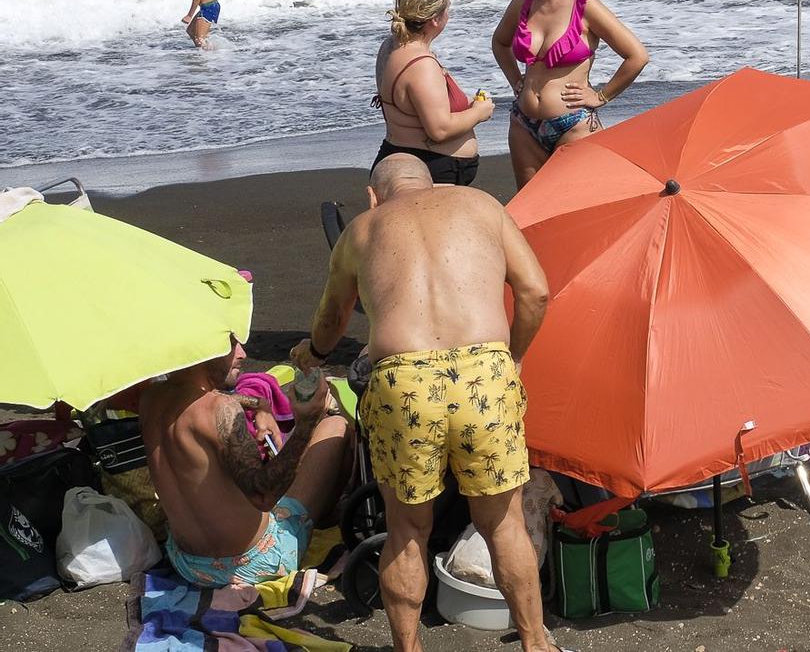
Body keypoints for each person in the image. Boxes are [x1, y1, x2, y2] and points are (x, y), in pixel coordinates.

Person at [291, 155, 557, 652]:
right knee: (503, 523)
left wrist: (315, 352)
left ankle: (409, 649)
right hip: (484, 374)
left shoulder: (362, 230)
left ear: (374, 195)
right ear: (432, 185)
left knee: (407, 530)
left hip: (404, 380)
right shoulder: (481, 204)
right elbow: (536, 294)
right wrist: (510, 358)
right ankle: (535, 644)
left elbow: (332, 318)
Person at [138, 338, 348, 587]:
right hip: (255, 564)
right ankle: (328, 515)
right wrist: (306, 424)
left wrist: (259, 404)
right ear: (204, 350)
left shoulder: (151, 398)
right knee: (336, 425)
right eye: (231, 344)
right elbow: (263, 496)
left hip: (187, 564)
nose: (242, 353)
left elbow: (197, 402)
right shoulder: (220, 409)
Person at [490, 0, 649, 188]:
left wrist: (601, 96)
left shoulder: (585, 6)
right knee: (529, 213)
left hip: (573, 125)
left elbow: (637, 56)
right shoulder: (523, 2)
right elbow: (500, 42)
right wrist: (515, 80)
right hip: (523, 123)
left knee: (575, 209)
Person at [375, 0, 496, 185]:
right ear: (435, 19)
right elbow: (439, 130)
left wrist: (466, 102)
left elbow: (412, 106)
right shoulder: (421, 64)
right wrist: (478, 113)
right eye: (447, 8)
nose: (449, 14)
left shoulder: (390, 46)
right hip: (429, 169)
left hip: (403, 153)